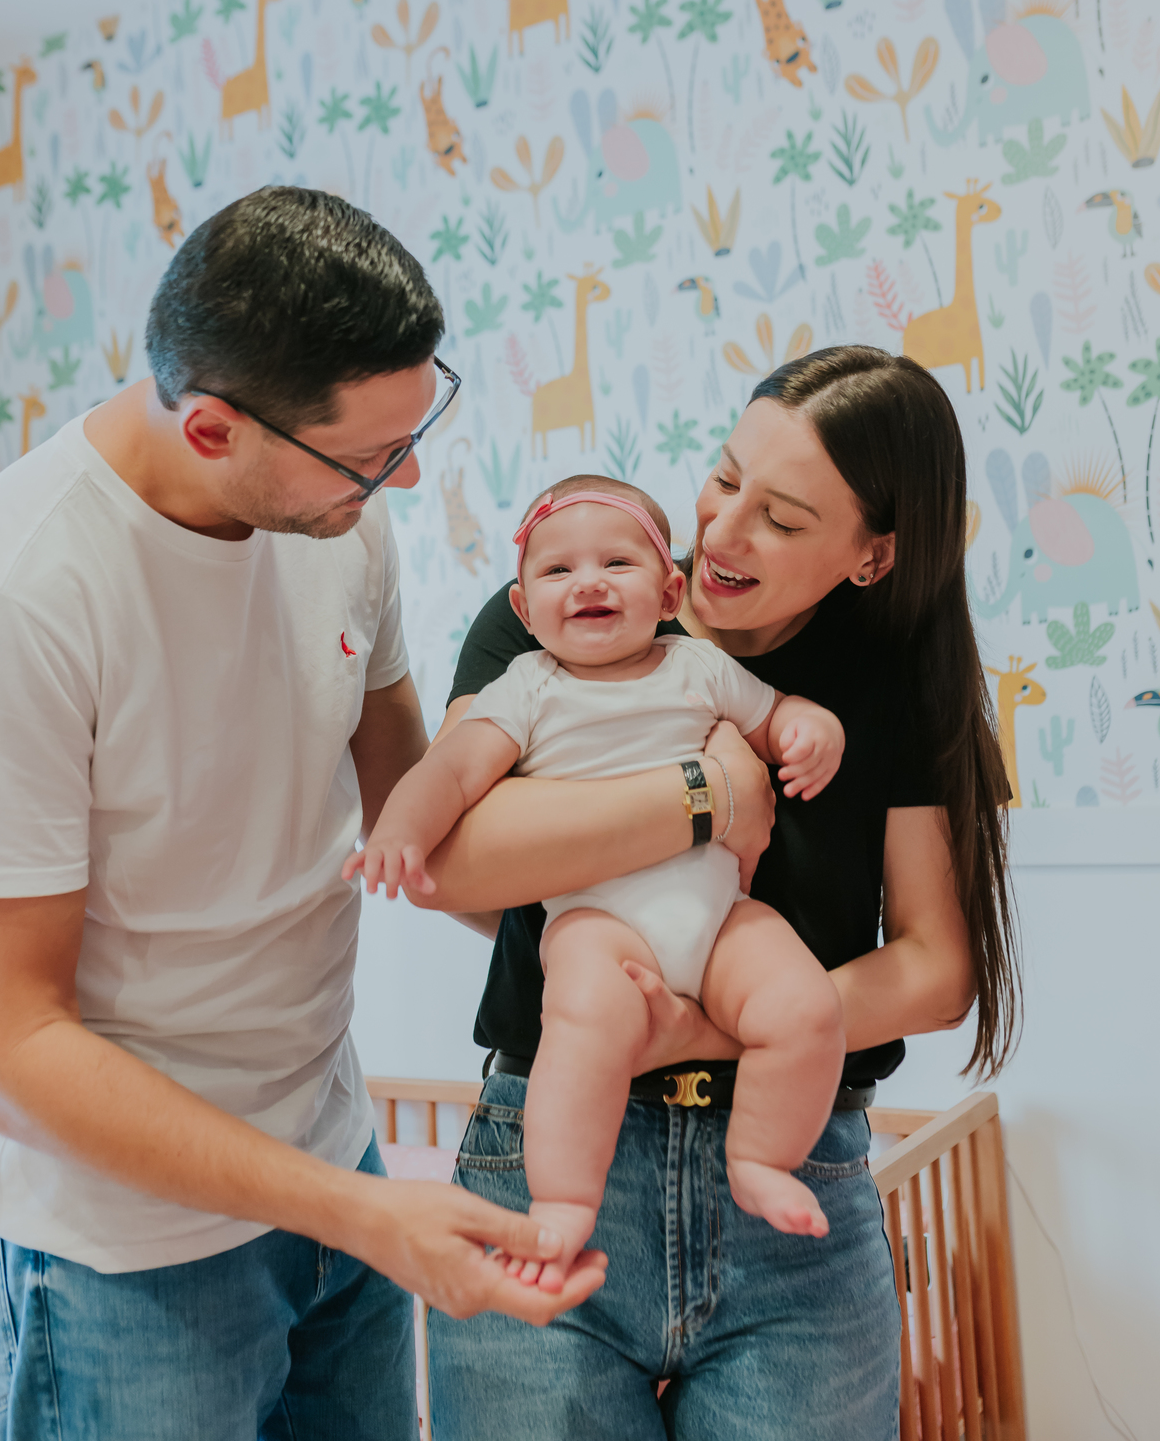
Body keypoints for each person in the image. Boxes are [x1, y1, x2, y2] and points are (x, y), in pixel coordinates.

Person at [0, 188, 604, 1441]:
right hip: (124, 1263)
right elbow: (8, 1035)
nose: (405, 477)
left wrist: (645, 925)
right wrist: (364, 1214)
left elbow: (426, 829)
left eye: (416, 430)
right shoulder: (18, 599)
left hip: (331, 1167)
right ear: (210, 429)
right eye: (373, 455)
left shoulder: (338, 526)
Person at [419, 345, 1020, 1441]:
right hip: (549, 1165)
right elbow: (449, 863)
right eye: (725, 476)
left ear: (874, 556)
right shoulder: (566, 610)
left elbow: (936, 971)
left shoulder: (893, 681)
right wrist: (708, 794)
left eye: (784, 520)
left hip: (794, 1170)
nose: (723, 531)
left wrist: (695, 1032)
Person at [344, 475, 847, 1284]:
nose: (589, 581)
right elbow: (453, 773)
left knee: (805, 1007)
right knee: (582, 1030)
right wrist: (400, 830)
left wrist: (808, 727)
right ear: (524, 608)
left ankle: (759, 1157)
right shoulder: (526, 689)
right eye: (558, 571)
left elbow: (773, 712)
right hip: (596, 920)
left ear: (670, 590)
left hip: (719, 915)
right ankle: (564, 1201)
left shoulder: (698, 665)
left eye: (618, 561)